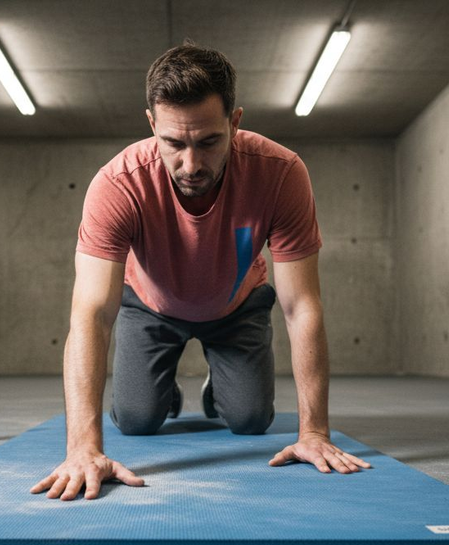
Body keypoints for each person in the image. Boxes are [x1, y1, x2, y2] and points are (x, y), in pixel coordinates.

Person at [30, 42, 370, 501]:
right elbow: (91, 314)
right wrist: (82, 449)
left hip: (236, 305)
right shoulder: (117, 184)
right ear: (152, 124)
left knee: (251, 421)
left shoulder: (281, 173)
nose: (190, 165)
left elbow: (301, 306)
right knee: (135, 421)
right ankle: (161, 383)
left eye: (208, 141)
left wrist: (315, 432)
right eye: (173, 143)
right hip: (150, 305)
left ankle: (217, 383)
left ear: (235, 121)